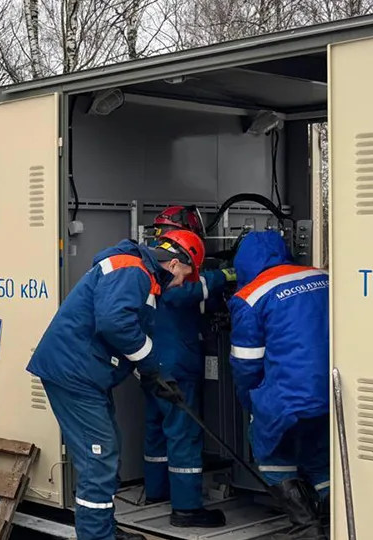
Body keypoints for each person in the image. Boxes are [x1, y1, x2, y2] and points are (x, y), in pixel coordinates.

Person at [26, 230, 205, 540]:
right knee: (99, 458)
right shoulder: (132, 270)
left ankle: (105, 529)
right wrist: (151, 367)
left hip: (84, 374)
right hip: (75, 374)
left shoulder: (139, 272)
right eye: (185, 277)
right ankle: (97, 536)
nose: (181, 284)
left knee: (106, 452)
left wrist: (153, 374)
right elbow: (115, 323)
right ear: (175, 264)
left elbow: (123, 334)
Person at [228, 230, 330, 540]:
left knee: (270, 449)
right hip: (333, 389)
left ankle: (306, 526)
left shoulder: (250, 297)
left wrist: (251, 404)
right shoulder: (323, 276)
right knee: (320, 455)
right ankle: (332, 518)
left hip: (289, 394)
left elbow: (246, 365)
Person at [140, 206, 235, 528]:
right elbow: (189, 291)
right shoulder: (171, 271)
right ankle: (187, 508)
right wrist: (229, 274)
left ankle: (157, 491)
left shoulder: (147, 261)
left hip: (151, 361)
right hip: (177, 365)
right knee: (183, 434)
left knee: (156, 428)